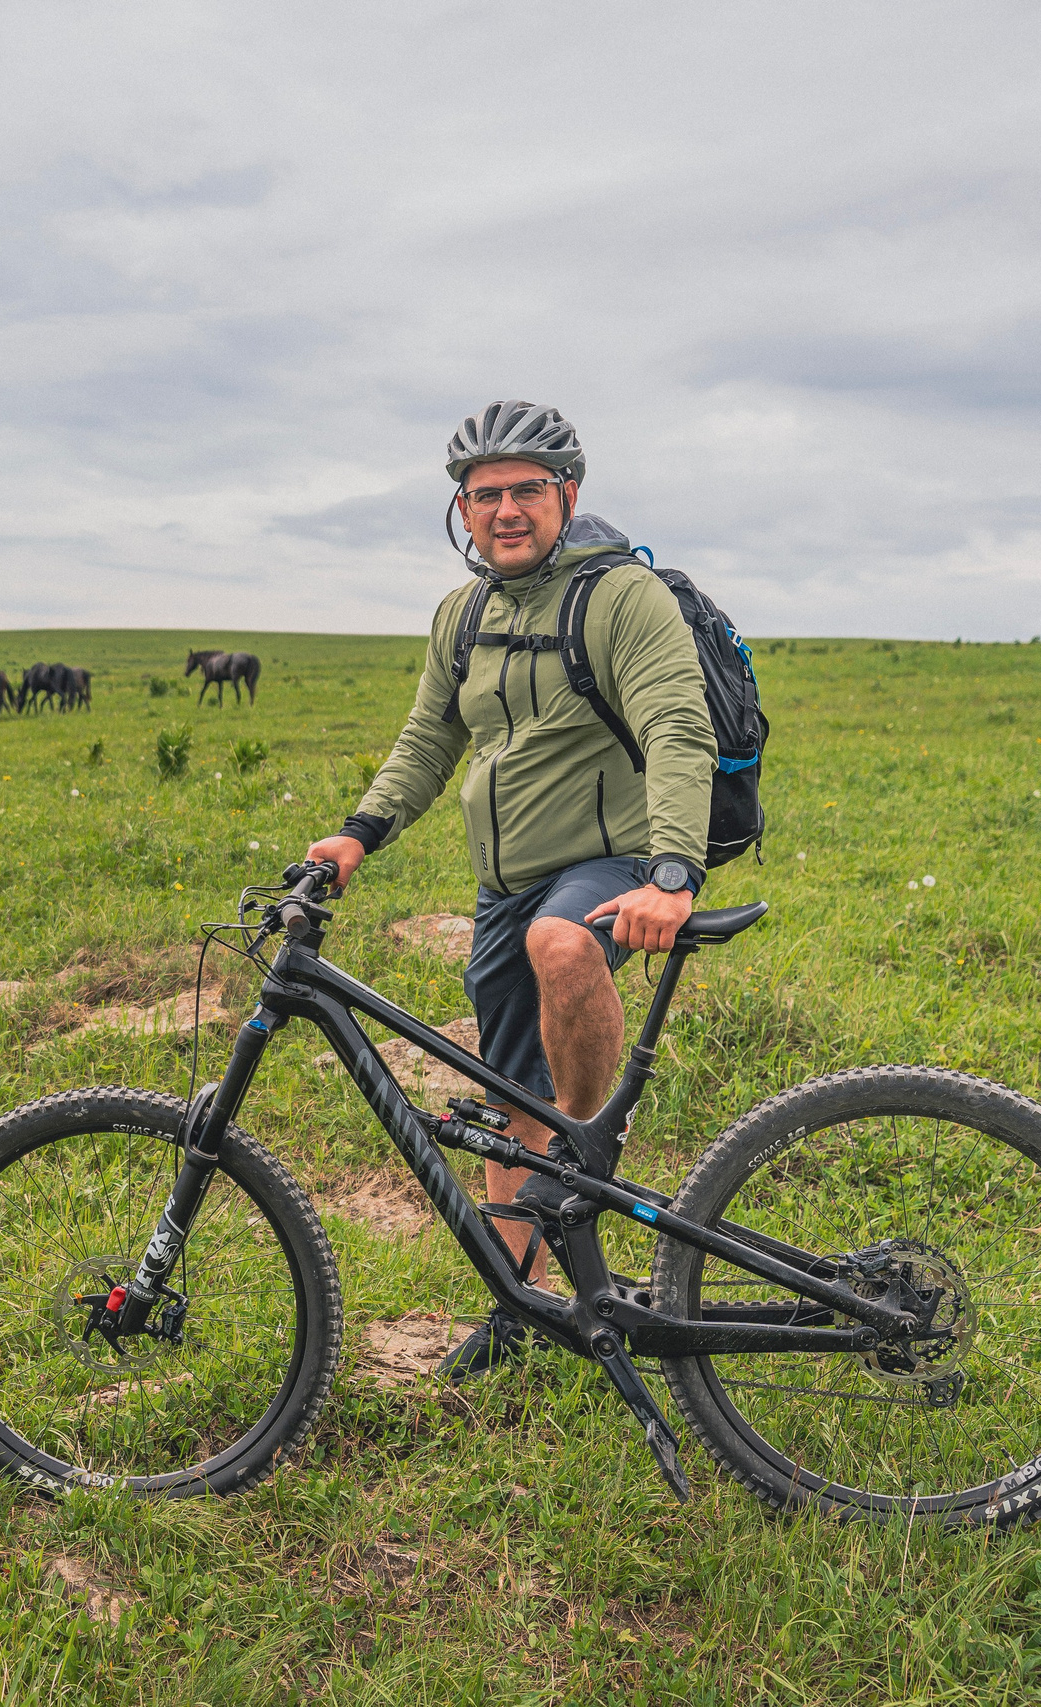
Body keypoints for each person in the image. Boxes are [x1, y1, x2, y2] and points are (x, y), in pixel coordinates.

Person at [304, 400, 716, 1380]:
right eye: (482, 495)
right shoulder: (464, 614)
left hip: (616, 859)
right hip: (507, 877)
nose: (503, 510)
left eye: (526, 489)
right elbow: (429, 738)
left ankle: (586, 1158)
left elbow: (673, 725)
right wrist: (359, 833)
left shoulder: (621, 598)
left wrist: (671, 874)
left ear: (567, 495)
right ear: (462, 510)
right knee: (502, 1087)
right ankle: (523, 1302)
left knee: (561, 948)